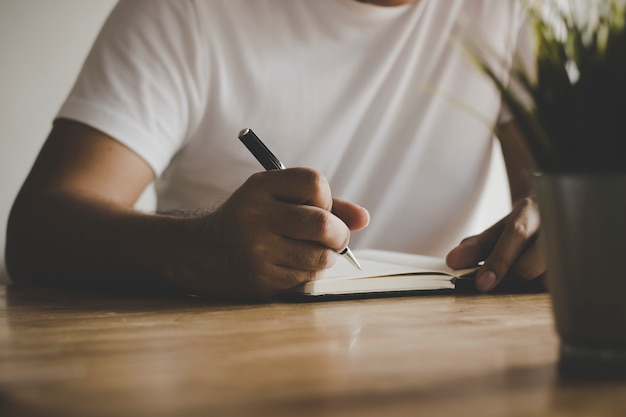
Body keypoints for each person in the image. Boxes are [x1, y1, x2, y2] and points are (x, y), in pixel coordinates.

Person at [5, 0, 545, 300]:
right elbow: (36, 230)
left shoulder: (513, 10)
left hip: (446, 366)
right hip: (238, 372)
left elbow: (552, 191)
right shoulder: (184, 11)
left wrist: (557, 223)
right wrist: (200, 248)